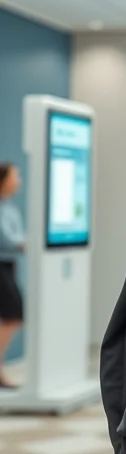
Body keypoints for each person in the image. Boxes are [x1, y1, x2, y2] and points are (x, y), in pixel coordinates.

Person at [0, 163, 25, 388]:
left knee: (13, 316)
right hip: (2, 265)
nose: (18, 180)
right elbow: (8, 239)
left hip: (9, 265)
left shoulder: (9, 207)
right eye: (15, 176)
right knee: (13, 315)